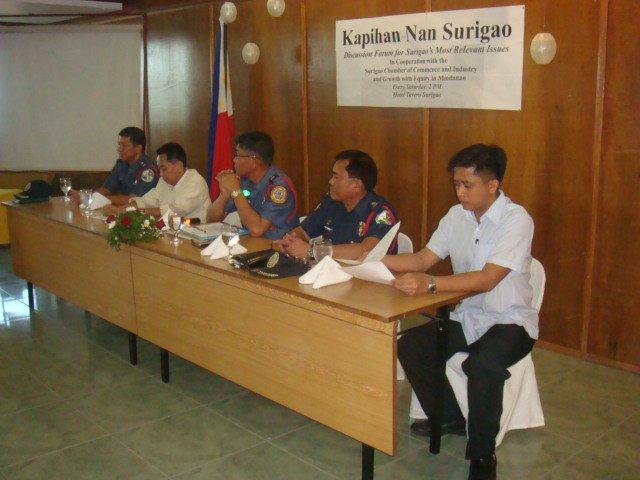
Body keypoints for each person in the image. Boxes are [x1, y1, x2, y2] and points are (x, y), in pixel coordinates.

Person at [382, 144, 537, 480]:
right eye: (457, 184)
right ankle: (449, 418)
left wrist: (431, 285)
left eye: (468, 185)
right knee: (412, 346)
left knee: (483, 365)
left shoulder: (516, 220)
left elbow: (488, 279)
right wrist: (372, 261)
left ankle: (482, 457)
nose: (460, 193)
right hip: (469, 316)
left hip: (510, 321)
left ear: (493, 185)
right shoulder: (456, 216)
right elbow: (422, 259)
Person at [276, 150, 398, 261]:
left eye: (336, 177)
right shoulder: (331, 203)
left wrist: (312, 251)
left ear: (356, 185)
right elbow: (303, 232)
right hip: (333, 272)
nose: (331, 181)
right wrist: (290, 241)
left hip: (368, 276)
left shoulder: (381, 213)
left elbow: (367, 251)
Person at [206, 131, 298, 240]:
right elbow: (211, 220)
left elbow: (257, 230)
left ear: (253, 161)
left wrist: (236, 190)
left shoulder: (279, 188)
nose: (234, 160)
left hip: (278, 246)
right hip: (252, 244)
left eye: (238, 155)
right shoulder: (245, 181)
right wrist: (224, 194)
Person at [107, 142, 210, 220]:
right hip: (171, 232)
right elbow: (146, 201)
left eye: (164, 169)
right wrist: (122, 210)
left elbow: (175, 210)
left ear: (179, 166)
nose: (160, 174)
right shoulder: (164, 181)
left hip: (195, 235)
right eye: (159, 169)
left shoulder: (195, 181)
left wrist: (135, 213)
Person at [71, 127, 158, 205]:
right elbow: (105, 189)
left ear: (138, 148)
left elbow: (133, 200)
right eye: (119, 144)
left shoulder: (148, 170)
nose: (119, 149)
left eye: (124, 145)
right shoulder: (121, 164)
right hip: (118, 210)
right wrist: (86, 196)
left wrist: (96, 199)